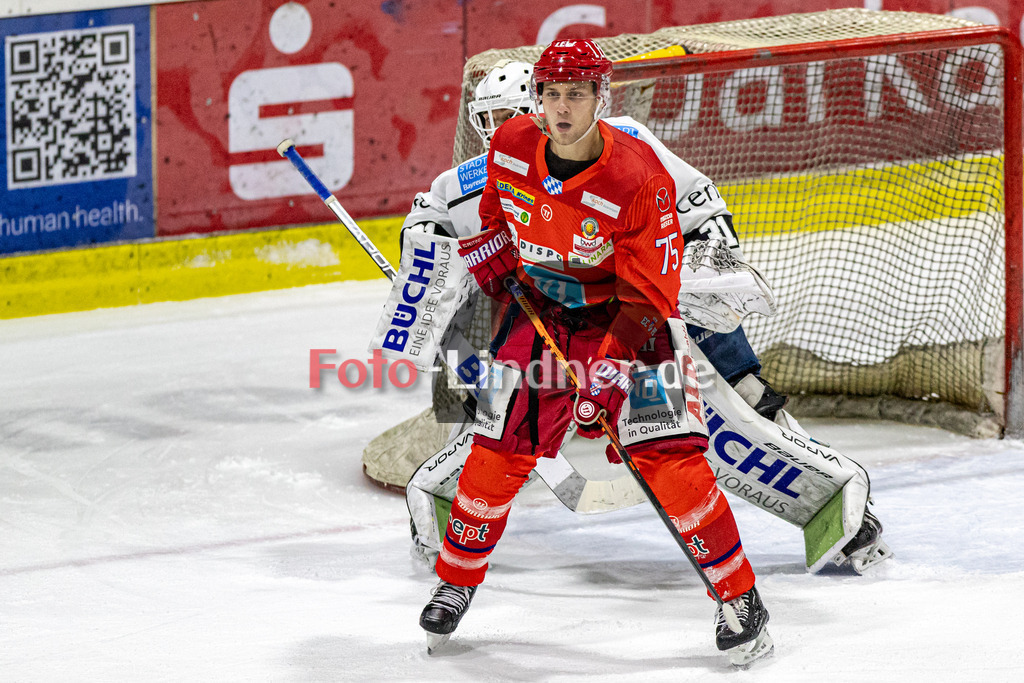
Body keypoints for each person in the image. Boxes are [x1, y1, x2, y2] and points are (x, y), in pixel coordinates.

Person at [398, 59, 887, 576]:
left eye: (513, 114)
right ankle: (452, 526)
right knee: (491, 419)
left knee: (739, 403)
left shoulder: (625, 141)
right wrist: (426, 260)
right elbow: (426, 233)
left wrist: (704, 270)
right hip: (557, 333)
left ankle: (837, 507)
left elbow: (698, 205)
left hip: (650, 315)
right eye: (490, 119)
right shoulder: (463, 182)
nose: (502, 130)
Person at [417, 40, 773, 666]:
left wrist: (606, 376)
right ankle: (455, 582)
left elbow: (649, 297)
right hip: (546, 315)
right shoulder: (510, 146)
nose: (561, 108)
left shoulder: (638, 178)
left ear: (600, 98)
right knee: (500, 451)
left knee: (671, 461)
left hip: (632, 324)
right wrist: (495, 251)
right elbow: (500, 213)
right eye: (551, 94)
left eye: (575, 94)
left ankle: (740, 599)